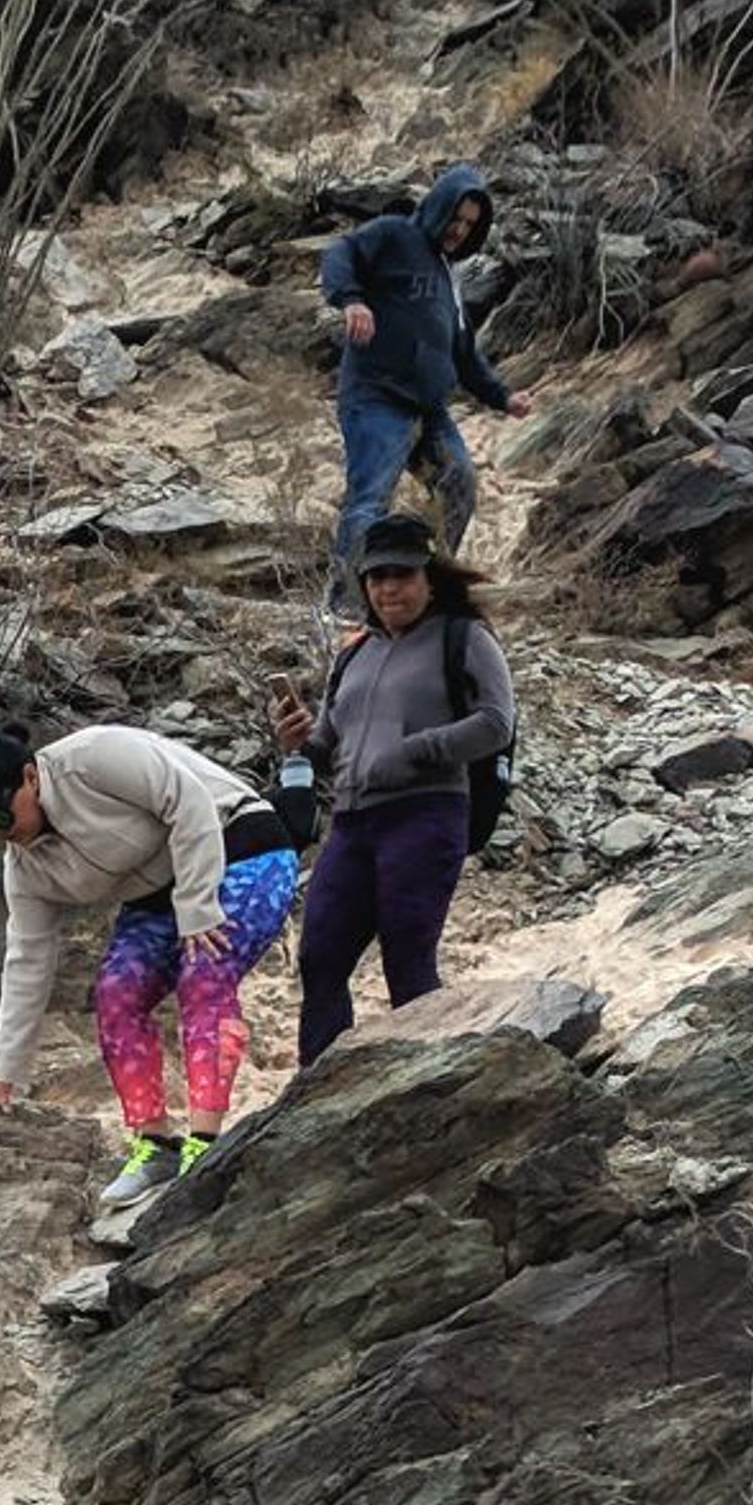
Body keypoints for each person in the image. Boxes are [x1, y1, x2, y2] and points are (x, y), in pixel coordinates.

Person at [0, 720, 304, 1203]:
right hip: (157, 895)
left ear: (30, 777)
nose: (3, 834)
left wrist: (199, 907)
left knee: (203, 974)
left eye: (1, 816)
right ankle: (155, 1144)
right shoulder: (25, 867)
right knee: (117, 993)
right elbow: (27, 958)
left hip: (239, 846)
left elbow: (190, 802)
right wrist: (4, 1073)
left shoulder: (96, 756)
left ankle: (205, 1146)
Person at [283, 517, 515, 1066]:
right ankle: (315, 1091)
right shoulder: (354, 653)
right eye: (377, 576)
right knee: (320, 960)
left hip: (427, 814)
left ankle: (425, 1090)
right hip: (352, 822)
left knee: (408, 963)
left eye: (402, 575)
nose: (389, 588)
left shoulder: (465, 637)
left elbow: (495, 723)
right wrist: (297, 742)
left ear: (428, 577)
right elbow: (327, 741)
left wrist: (417, 749)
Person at [317, 161, 527, 598]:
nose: (459, 231)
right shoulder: (395, 234)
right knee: (369, 500)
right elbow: (342, 254)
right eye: (456, 218)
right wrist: (352, 300)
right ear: (438, 207)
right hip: (376, 398)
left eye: (470, 225)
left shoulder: (449, 277)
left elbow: (466, 356)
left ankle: (428, 590)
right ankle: (343, 606)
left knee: (459, 485)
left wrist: (503, 397)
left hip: (429, 411)